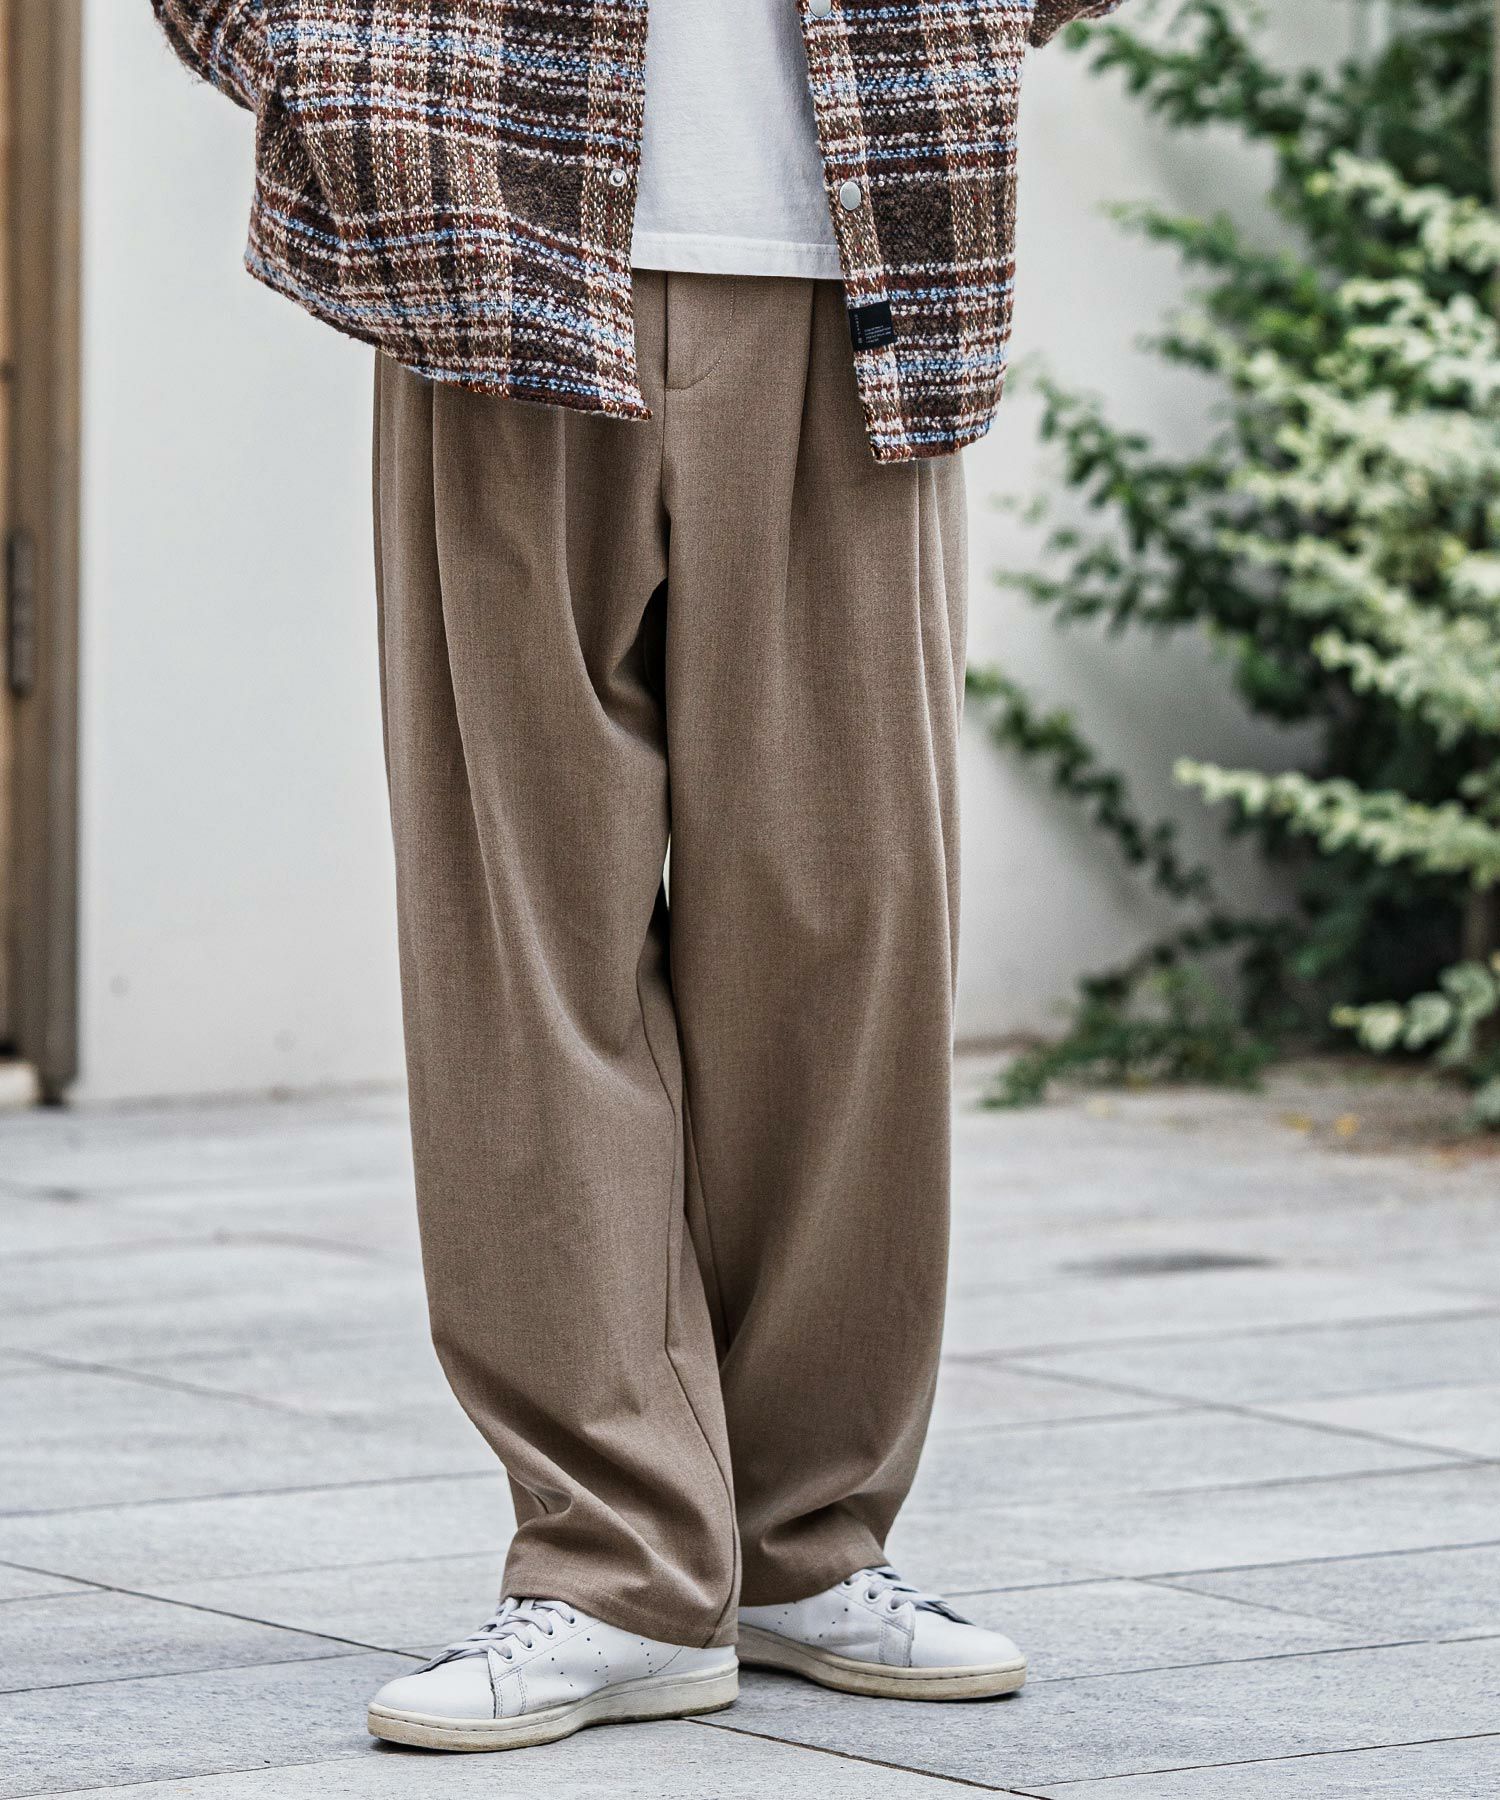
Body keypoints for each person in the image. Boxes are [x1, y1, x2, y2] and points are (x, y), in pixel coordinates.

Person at [153, 0, 1124, 1756]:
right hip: (488, 224)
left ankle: (806, 1541)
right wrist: (313, 66)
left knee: (850, 925)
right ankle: (615, 1567)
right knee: (526, 936)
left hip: (861, 247)